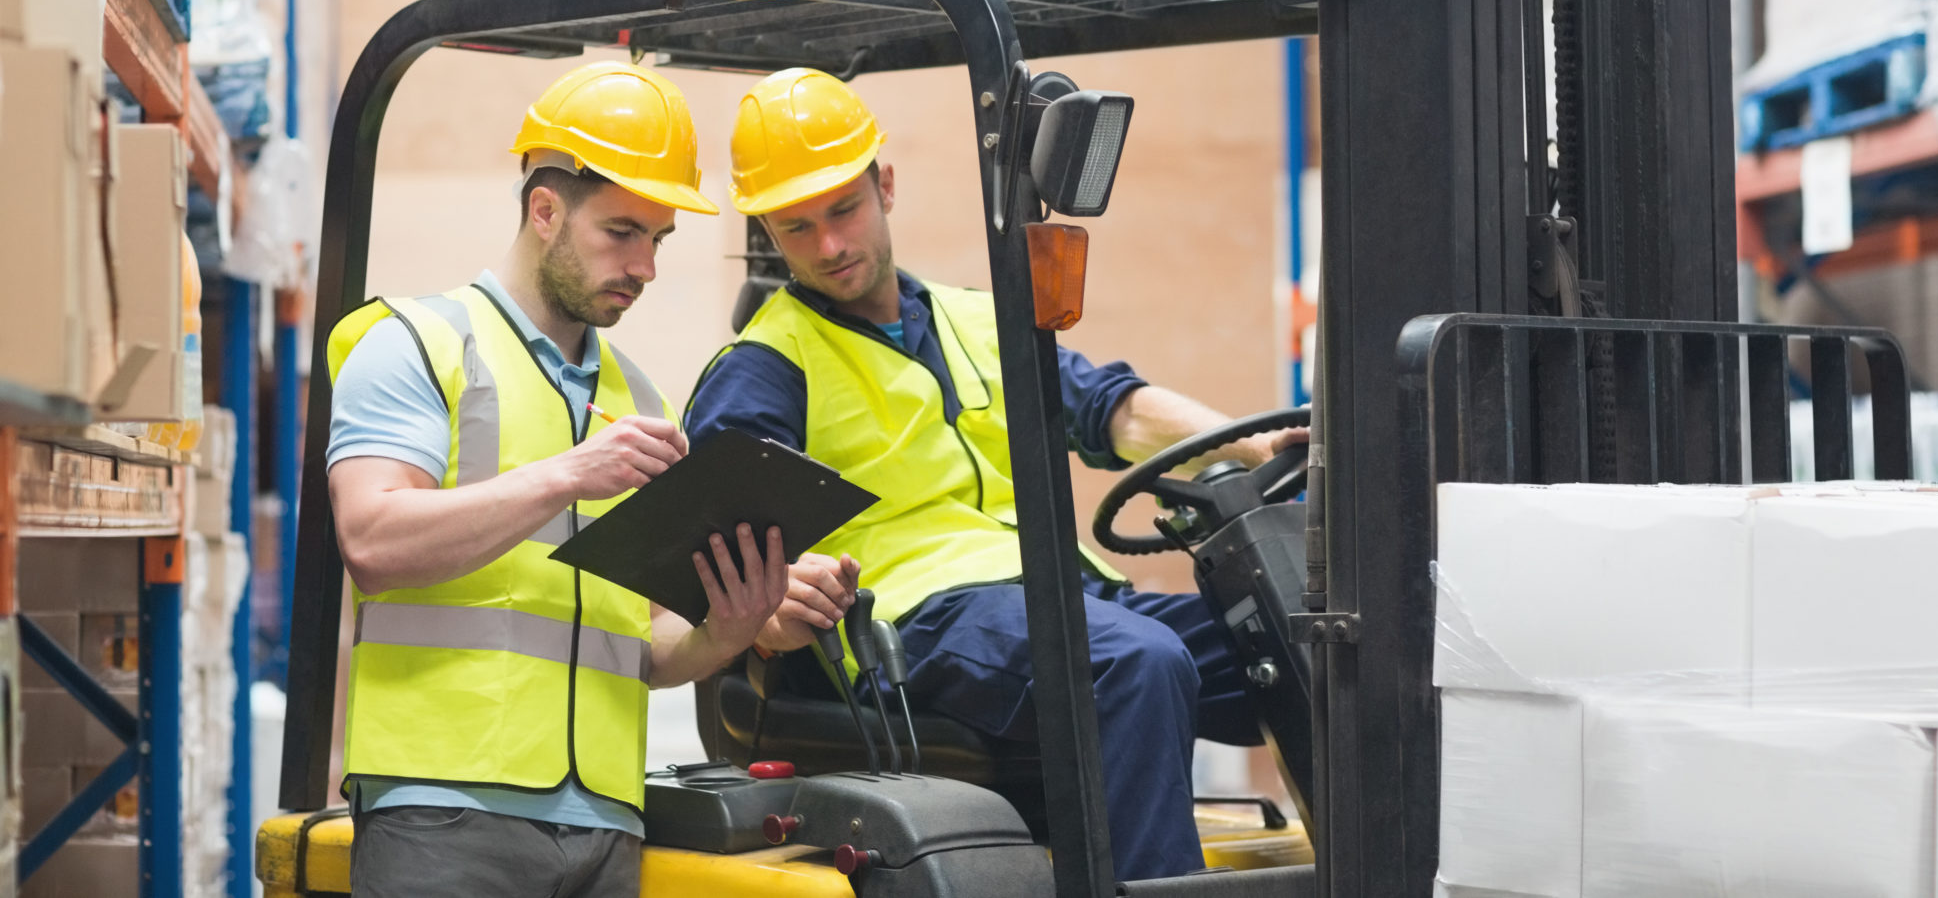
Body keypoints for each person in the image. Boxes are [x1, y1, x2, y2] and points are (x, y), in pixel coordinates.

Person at [686, 67, 1300, 882]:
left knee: (1307, 638)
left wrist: (1259, 445)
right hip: (910, 622)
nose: (830, 245)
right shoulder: (766, 364)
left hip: (1056, 593)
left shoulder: (980, 316)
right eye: (798, 227)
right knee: (1136, 662)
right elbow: (721, 545)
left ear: (887, 186)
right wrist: (771, 605)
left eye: (844, 209)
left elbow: (1114, 409)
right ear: (767, 226)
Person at [324, 62, 859, 898]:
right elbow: (372, 540)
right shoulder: (416, 344)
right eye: (621, 232)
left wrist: (730, 627)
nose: (645, 265)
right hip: (445, 811)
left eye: (659, 240)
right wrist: (566, 474)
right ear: (545, 210)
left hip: (606, 824)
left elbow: (640, 646)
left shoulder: (637, 398)